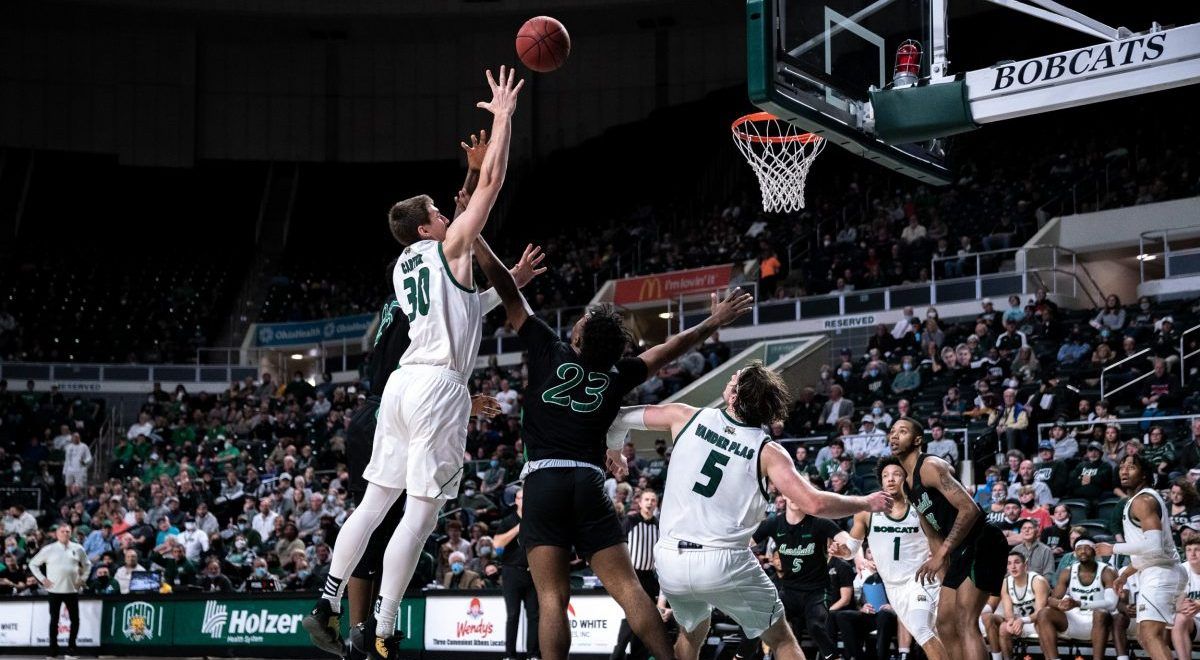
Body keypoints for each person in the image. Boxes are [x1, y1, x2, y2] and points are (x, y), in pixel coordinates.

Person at [306, 66, 526, 660]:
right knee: (422, 514)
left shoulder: (403, 268)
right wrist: (502, 118)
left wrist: (503, 287)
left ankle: (326, 600)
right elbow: (494, 186)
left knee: (374, 502)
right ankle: (383, 625)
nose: (446, 216)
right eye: (439, 211)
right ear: (430, 225)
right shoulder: (450, 245)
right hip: (437, 389)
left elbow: (457, 310)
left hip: (401, 386)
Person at [483, 215, 755, 660]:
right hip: (590, 484)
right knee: (630, 590)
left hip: (545, 481)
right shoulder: (618, 375)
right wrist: (713, 321)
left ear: (580, 335)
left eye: (585, 319)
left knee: (552, 600)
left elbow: (506, 288)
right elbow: (672, 348)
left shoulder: (548, 348)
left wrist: (474, 234)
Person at [607, 363, 891, 660]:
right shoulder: (768, 452)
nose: (730, 378)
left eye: (734, 378)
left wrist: (614, 449)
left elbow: (619, 417)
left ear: (733, 396)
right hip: (723, 561)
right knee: (780, 638)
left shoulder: (685, 416)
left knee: (691, 633)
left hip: (669, 559)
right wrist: (865, 502)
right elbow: (815, 504)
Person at [890, 417, 1008, 660]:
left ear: (917, 440)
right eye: (892, 432)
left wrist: (942, 554)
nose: (894, 436)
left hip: (982, 540)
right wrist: (942, 566)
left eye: (902, 432)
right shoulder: (907, 485)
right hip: (958, 548)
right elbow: (931, 530)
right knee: (944, 623)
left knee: (966, 620)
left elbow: (970, 509)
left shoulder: (930, 466)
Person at [837, 456, 947, 660]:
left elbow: (940, 540)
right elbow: (852, 549)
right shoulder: (866, 511)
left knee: (923, 631)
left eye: (896, 474)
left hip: (920, 581)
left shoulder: (919, 507)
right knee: (934, 634)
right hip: (893, 587)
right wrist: (842, 551)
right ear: (880, 481)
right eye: (886, 475)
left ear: (906, 478)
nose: (891, 479)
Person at [1096, 455, 1188, 660]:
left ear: (1144, 474)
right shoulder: (1137, 500)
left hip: (1161, 573)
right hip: (1160, 570)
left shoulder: (1143, 501)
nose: (1124, 471)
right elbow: (1148, 549)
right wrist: (1126, 574)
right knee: (1145, 636)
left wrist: (1113, 548)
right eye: (1121, 467)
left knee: (1149, 635)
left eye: (1131, 467)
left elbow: (1154, 546)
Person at [1033, 537, 1115, 660]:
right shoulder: (1068, 572)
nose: (1082, 551)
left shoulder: (1107, 571)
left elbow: (1111, 604)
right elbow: (1051, 600)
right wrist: (1060, 604)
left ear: (1095, 551)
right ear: (1074, 553)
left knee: (1101, 613)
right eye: (1079, 549)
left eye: (1087, 548)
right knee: (1044, 613)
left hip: (1099, 624)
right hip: (1074, 621)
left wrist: (1078, 603)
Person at [611, 489, 662, 660]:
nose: (649, 503)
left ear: (656, 504)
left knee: (645, 621)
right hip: (631, 577)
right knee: (632, 617)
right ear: (639, 503)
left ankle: (637, 657)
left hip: (649, 577)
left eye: (653, 500)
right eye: (646, 499)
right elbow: (617, 545)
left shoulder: (659, 525)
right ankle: (617, 655)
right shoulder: (630, 521)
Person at [27, 524, 91, 659]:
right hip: (54, 590)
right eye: (62, 531)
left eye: (68, 531)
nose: (65, 533)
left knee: (75, 620)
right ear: (57, 533)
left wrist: (83, 579)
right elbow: (33, 564)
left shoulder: (78, 548)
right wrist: (42, 579)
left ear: (71, 533)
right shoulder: (48, 549)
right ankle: (53, 652)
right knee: (54, 621)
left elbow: (88, 565)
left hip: (72, 590)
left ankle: (71, 650)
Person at [494, 486, 539, 660]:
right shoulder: (508, 520)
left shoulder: (537, 519)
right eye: (521, 498)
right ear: (516, 501)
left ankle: (533, 655)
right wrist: (519, 527)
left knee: (534, 615)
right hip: (512, 572)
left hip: (533, 572)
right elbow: (497, 543)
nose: (524, 501)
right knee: (513, 614)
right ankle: (509, 655)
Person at [986, 551, 1049, 660]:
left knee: (1041, 625)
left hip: (1036, 621)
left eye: (1017, 562)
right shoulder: (1005, 583)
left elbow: (1040, 612)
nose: (1013, 567)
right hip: (1019, 622)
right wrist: (1011, 622)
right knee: (1004, 628)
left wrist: (1022, 621)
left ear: (1025, 565)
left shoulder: (1037, 581)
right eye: (1009, 563)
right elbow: (1008, 611)